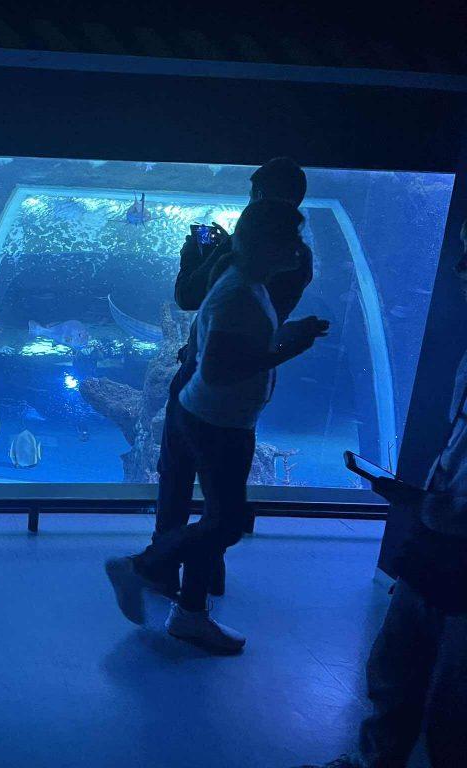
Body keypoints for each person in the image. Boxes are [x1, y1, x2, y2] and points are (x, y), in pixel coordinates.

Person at [106, 199, 329, 653]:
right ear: (266, 244)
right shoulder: (238, 295)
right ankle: (140, 568)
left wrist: (282, 337)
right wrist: (290, 346)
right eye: (290, 239)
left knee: (215, 520)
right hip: (217, 422)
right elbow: (219, 370)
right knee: (225, 524)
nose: (298, 249)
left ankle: (190, 614)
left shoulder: (247, 284)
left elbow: (233, 351)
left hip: (214, 417)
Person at [295, 221, 467, 768]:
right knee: (393, 675)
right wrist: (422, 505)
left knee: (452, 713)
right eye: (463, 250)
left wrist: (427, 507)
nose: (459, 268)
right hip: (433, 549)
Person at [156, 157, 312, 598]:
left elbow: (188, 297)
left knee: (178, 473)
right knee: (220, 489)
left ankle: (160, 565)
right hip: (242, 393)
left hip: (203, 381)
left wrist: (196, 257)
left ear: (258, 195)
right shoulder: (296, 260)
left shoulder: (242, 266)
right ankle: (204, 575)